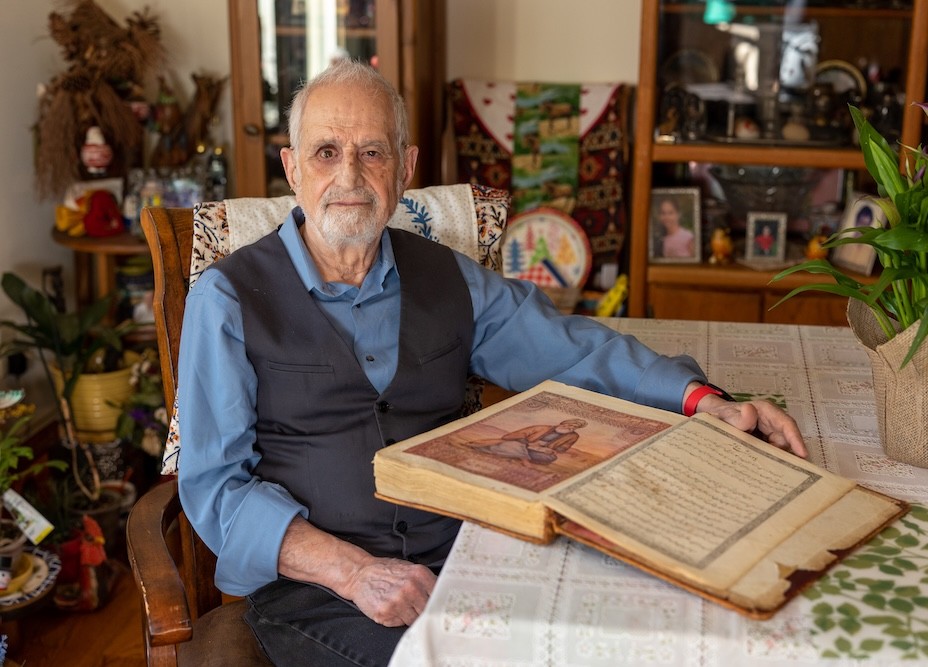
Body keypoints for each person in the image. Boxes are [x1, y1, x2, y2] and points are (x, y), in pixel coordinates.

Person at [177, 58, 806, 666]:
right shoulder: (228, 298)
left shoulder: (449, 276)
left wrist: (702, 401)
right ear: (291, 169)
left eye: (372, 152)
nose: (349, 176)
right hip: (321, 591)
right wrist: (355, 573)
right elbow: (214, 486)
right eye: (326, 152)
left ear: (405, 168)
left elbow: (571, 350)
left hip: (471, 556)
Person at [466, 418, 587, 463]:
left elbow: (563, 448)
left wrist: (550, 449)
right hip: (522, 444)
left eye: (572, 428)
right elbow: (515, 435)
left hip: (541, 449)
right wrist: (529, 444)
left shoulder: (573, 436)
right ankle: (523, 459)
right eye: (567, 425)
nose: (569, 428)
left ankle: (520, 455)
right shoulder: (542, 428)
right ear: (562, 423)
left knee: (550, 458)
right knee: (512, 446)